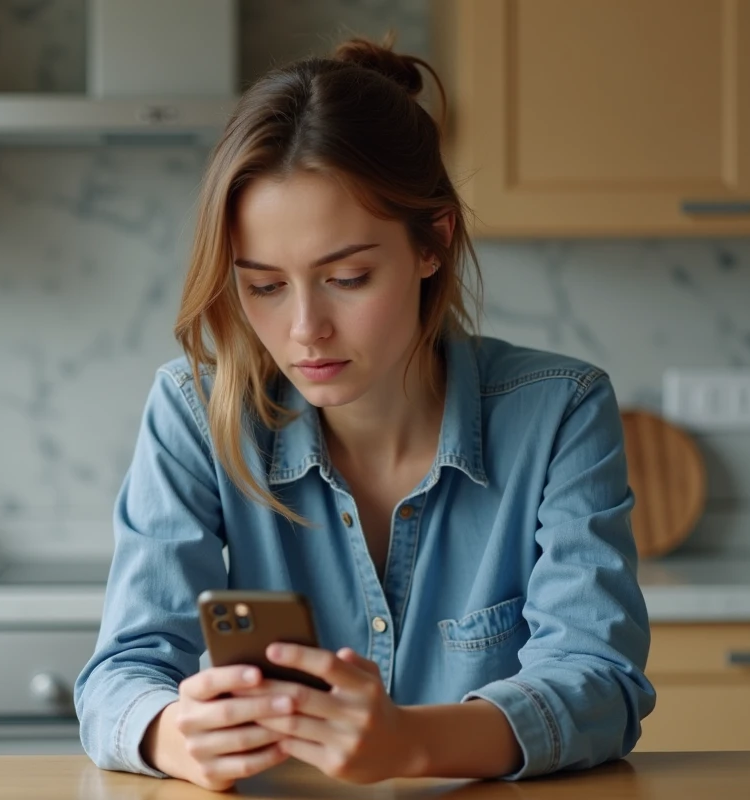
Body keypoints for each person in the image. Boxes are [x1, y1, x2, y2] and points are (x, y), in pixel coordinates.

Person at [74, 35, 656, 792]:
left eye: (346, 277)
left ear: (432, 243)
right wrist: (175, 735)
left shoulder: (561, 411)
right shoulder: (195, 412)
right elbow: (121, 674)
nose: (304, 329)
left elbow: (602, 683)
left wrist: (412, 742)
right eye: (264, 286)